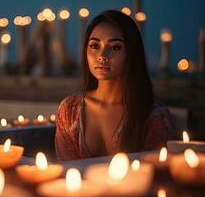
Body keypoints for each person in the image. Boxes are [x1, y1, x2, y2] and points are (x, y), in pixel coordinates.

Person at [55, 10, 173, 161]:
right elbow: (66, 171)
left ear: (131, 53)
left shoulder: (154, 116)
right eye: (94, 46)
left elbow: (153, 173)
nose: (102, 56)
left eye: (115, 47)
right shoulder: (69, 110)